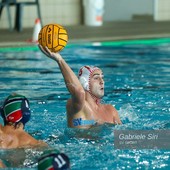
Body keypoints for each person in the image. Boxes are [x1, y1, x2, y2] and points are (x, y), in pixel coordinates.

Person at [39, 46, 122, 129]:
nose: (102, 81)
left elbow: (123, 137)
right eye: (96, 78)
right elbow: (79, 91)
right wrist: (60, 60)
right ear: (85, 83)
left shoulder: (111, 110)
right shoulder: (77, 106)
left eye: (102, 77)